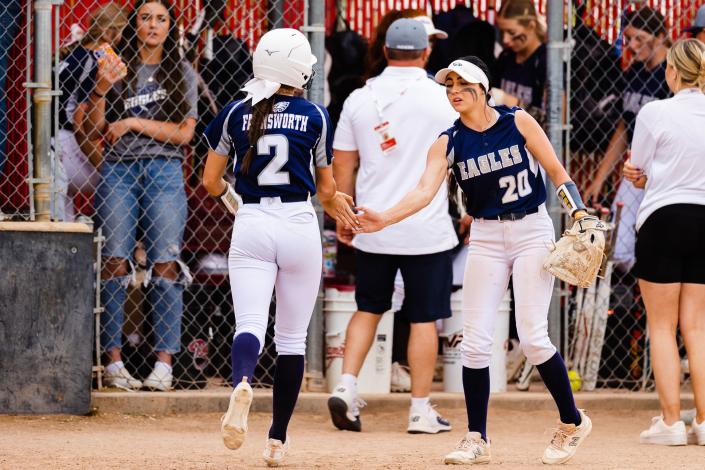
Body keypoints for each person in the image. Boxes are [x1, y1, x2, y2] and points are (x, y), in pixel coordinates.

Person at [355, 56, 593, 464]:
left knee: (534, 337)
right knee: (475, 344)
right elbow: (423, 191)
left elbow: (556, 171)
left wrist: (579, 212)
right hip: (485, 235)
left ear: (482, 89)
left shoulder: (516, 122)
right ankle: (476, 438)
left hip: (531, 229)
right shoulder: (447, 141)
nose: (454, 93)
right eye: (449, 87)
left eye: (462, 86)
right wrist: (384, 219)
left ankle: (572, 421)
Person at [202, 28, 356, 466]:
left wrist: (236, 202)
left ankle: (243, 380)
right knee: (290, 340)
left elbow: (211, 182)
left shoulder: (235, 112)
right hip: (298, 223)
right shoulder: (314, 115)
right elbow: (326, 190)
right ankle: (277, 440)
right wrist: (336, 201)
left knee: (248, 322)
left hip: (253, 219)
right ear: (298, 69)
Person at [328, 18, 457, 434]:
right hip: (426, 225)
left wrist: (345, 216)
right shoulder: (442, 100)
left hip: (372, 224)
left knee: (368, 308)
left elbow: (342, 166)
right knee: (423, 319)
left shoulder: (358, 99)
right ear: (425, 53)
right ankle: (420, 410)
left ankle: (346, 388)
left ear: (384, 51)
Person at [83, 0, 199, 391]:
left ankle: (163, 363)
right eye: (145, 18)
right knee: (115, 262)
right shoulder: (117, 66)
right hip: (119, 171)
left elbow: (184, 134)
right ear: (134, 25)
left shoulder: (181, 71)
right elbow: (96, 126)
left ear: (171, 26)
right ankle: (113, 361)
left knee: (165, 263)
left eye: (161, 19)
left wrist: (132, 121)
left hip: (165, 171)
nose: (152, 25)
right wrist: (100, 88)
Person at [621, 38, 705, 446]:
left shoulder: (655, 111)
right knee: (698, 326)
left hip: (663, 218)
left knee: (662, 324)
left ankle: (671, 422)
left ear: (672, 72)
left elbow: (637, 167)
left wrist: (639, 175)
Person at [585, 7, 670, 272]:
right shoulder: (634, 72)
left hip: (666, 168)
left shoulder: (672, 74)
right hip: (637, 165)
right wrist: (598, 179)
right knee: (620, 247)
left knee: (659, 239)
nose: (631, 45)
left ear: (660, 35)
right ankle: (633, 298)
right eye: (628, 38)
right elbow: (624, 129)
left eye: (638, 38)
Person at [55, 2, 128, 221]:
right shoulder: (94, 59)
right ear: (110, 31)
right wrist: (106, 167)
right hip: (67, 143)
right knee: (128, 180)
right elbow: (80, 124)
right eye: (123, 32)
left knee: (63, 224)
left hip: (51, 143)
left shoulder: (74, 51)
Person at [494, 0, 547, 122]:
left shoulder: (546, 62)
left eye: (511, 32)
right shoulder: (506, 56)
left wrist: (509, 101)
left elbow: (553, 120)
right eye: (502, 32)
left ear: (531, 26)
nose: (505, 39)